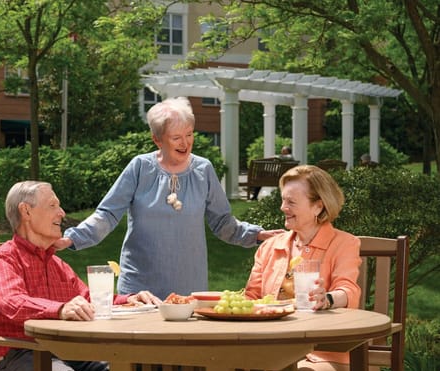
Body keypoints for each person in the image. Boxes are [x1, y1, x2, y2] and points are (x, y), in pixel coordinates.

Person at [54, 97, 283, 300]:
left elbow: (222, 222)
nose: (185, 143)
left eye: (189, 134)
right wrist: (72, 239)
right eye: (176, 137)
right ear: (157, 140)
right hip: (139, 286)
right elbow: (108, 214)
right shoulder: (140, 168)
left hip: (189, 287)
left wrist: (257, 234)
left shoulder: (203, 170)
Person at [0, 181, 160, 371]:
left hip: (68, 352)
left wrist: (131, 300)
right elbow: (12, 302)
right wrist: (61, 309)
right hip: (19, 358)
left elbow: (87, 298)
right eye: (53, 205)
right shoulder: (4, 259)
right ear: (26, 211)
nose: (62, 213)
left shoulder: (56, 264)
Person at [244, 165, 362, 371]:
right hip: (270, 352)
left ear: (318, 205)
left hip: (326, 357)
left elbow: (348, 290)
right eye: (282, 200)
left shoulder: (345, 244)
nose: (282, 207)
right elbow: (251, 298)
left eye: (291, 202)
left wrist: (327, 298)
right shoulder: (271, 247)